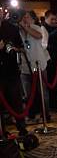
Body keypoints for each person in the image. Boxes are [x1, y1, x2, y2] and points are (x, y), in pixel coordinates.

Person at [0, 8, 28, 136]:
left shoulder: (11, 28)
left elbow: (22, 47)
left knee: (16, 101)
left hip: (11, 71)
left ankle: (22, 128)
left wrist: (14, 48)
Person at [18, 10, 50, 121]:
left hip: (39, 64)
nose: (24, 19)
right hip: (25, 66)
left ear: (31, 19)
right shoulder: (17, 31)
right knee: (28, 94)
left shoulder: (36, 28)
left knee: (42, 92)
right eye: (23, 17)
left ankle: (46, 115)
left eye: (26, 17)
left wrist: (26, 28)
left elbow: (38, 36)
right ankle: (31, 115)